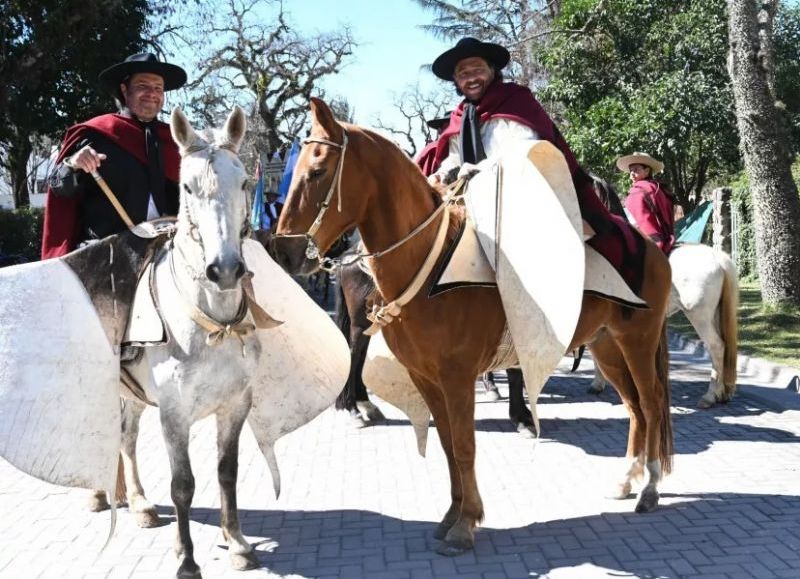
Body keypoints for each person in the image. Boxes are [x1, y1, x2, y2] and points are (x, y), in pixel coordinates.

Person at [427, 37, 645, 296]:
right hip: (473, 202)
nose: (471, 78)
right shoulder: (459, 118)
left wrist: (479, 170)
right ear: (456, 81)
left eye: (477, 70)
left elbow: (525, 150)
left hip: (521, 195)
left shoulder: (516, 101)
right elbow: (454, 157)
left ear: (493, 71)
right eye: (463, 74)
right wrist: (440, 175)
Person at [41, 53, 187, 259]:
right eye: (143, 86)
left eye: (158, 88)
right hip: (106, 253)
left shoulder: (173, 139)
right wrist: (73, 164)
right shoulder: (96, 134)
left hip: (165, 251)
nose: (152, 93)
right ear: (124, 90)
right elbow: (59, 187)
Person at [616, 152, 678, 255]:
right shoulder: (656, 186)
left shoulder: (638, 191)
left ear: (647, 171)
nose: (632, 173)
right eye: (631, 170)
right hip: (667, 235)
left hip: (650, 241)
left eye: (636, 169)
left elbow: (637, 220)